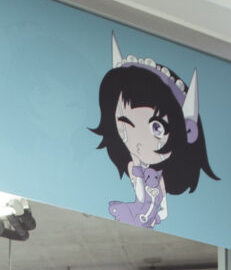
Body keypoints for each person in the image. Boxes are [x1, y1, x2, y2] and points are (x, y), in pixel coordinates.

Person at [91, 38, 216, 230]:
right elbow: (141, 196)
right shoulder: (135, 167)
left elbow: (163, 209)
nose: (138, 143)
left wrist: (155, 215)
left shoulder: (159, 178)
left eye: (157, 128)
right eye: (124, 125)